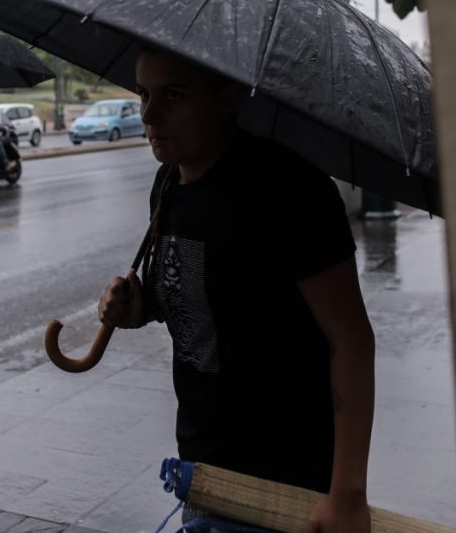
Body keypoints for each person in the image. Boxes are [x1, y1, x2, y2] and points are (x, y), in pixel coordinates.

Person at [99, 50, 375, 533]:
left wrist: (347, 495)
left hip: (284, 489)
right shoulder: (169, 183)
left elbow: (350, 338)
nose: (148, 113)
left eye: (174, 95)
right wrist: (138, 307)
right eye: (144, 93)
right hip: (204, 476)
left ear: (226, 100)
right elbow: (197, 299)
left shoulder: (288, 190)